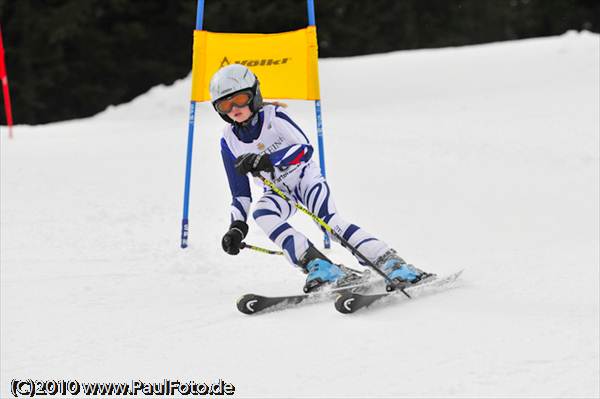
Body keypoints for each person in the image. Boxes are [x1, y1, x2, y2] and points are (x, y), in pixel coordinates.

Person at [212, 64, 430, 292]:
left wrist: (267, 159)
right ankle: (319, 265)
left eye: (240, 98)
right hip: (278, 191)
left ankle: (392, 263)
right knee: (262, 213)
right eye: (225, 104)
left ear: (254, 95)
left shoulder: (273, 116)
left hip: (305, 178)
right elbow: (239, 192)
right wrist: (237, 227)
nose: (234, 108)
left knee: (329, 224)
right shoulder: (228, 141)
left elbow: (304, 150)